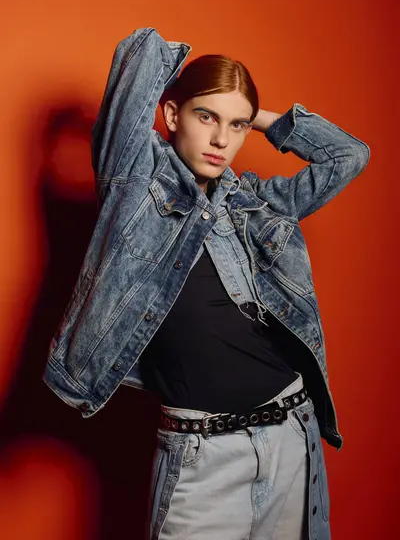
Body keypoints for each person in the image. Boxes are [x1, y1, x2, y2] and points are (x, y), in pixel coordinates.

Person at [43, 27, 370, 540]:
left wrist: (255, 115)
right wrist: (212, 94)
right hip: (202, 457)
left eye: (235, 126)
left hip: (290, 435)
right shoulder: (134, 188)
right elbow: (140, 53)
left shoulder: (258, 204)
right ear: (171, 114)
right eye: (206, 117)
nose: (222, 140)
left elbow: (348, 156)